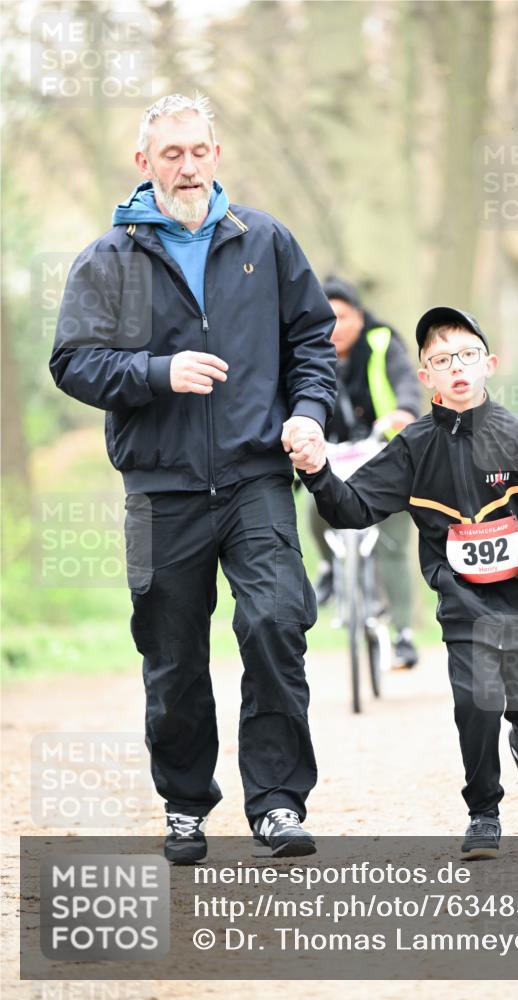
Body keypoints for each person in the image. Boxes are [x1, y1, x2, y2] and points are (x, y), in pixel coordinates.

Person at [49, 94, 337, 864]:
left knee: (275, 621)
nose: (186, 165)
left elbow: (313, 339)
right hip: (160, 488)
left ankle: (276, 802)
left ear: (217, 155)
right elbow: (73, 362)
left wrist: (308, 411)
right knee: (173, 655)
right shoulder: (109, 258)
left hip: (255, 478)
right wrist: (156, 371)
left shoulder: (264, 242)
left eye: (197, 150)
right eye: (169, 153)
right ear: (142, 164)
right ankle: (185, 802)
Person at [289, 306, 518, 858]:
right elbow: (352, 507)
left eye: (468, 355)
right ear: (426, 377)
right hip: (462, 599)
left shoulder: (517, 435)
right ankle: (484, 812)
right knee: (475, 701)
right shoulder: (413, 447)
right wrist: (318, 471)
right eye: (442, 359)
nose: (458, 367)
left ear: (489, 364)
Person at [312, 275, 423, 668]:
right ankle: (329, 564)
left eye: (342, 317)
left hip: (384, 451)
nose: (335, 327)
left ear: (359, 317)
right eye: (328, 318)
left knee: (392, 543)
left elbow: (407, 383)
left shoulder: (381, 343)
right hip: (335, 453)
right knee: (317, 510)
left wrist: (406, 412)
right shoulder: (309, 349)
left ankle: (404, 636)